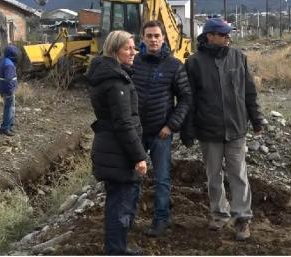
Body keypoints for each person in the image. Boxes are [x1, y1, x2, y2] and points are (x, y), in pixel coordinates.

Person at [183, 17, 265, 241]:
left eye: (229, 34)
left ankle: (242, 219)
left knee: (238, 174)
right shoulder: (194, 63)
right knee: (213, 175)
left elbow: (249, 92)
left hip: (236, 128)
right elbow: (188, 100)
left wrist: (257, 120)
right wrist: (187, 130)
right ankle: (219, 215)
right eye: (223, 34)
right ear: (209, 36)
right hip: (209, 131)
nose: (228, 37)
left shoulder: (239, 58)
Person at [85, 30, 148, 255]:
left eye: (134, 47)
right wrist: (139, 156)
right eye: (128, 48)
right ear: (114, 50)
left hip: (112, 148)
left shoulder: (110, 74)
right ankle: (115, 250)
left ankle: (119, 246)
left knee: (119, 201)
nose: (134, 52)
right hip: (117, 152)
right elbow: (123, 123)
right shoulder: (116, 81)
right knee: (120, 205)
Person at [131, 20, 191, 237]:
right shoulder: (134, 63)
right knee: (132, 176)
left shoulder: (174, 66)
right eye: (149, 36)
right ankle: (128, 217)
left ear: (164, 38)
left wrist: (171, 125)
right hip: (136, 132)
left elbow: (185, 98)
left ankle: (161, 219)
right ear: (143, 38)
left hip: (160, 133)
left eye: (157, 35)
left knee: (162, 178)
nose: (153, 39)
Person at [0, 44, 19, 137]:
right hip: (7, 89)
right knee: (9, 107)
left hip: (0, 87)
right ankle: (5, 128)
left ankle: (9, 126)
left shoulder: (0, 59)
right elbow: (9, 79)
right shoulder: (9, 64)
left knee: (9, 106)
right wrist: (11, 89)